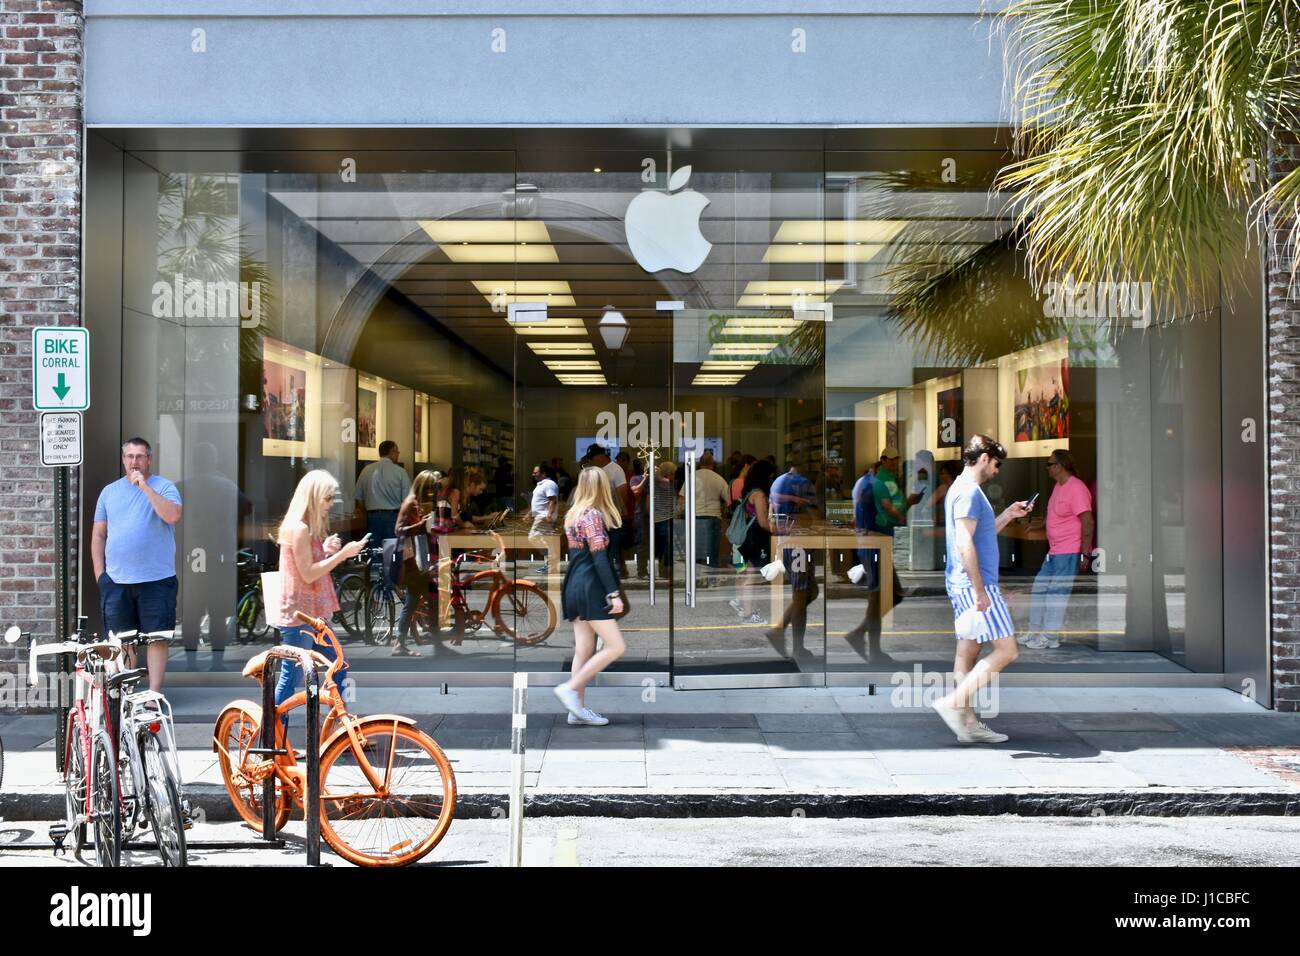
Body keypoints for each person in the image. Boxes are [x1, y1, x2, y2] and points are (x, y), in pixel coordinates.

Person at [931, 434, 1033, 744]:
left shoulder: (963, 491)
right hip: (975, 584)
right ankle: (954, 703)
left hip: (964, 583)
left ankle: (968, 723)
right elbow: (964, 544)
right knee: (1007, 650)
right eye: (997, 463)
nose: (998, 471)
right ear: (984, 458)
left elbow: (978, 535)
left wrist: (1007, 515)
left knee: (968, 651)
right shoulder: (969, 492)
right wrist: (980, 590)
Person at [271, 470, 367, 718]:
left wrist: (324, 550)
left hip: (310, 616)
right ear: (313, 497)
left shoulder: (301, 527)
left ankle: (338, 727)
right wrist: (342, 554)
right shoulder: (300, 528)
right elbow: (308, 574)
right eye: (327, 498)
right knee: (290, 678)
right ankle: (271, 741)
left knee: (338, 666)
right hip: (300, 617)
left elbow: (303, 565)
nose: (331, 504)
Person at [93, 437, 183, 692]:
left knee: (157, 639)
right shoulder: (109, 492)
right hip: (117, 581)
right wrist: (101, 575)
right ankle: (129, 692)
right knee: (124, 641)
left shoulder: (164, 487)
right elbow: (99, 536)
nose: (134, 462)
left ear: (149, 460)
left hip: (157, 580)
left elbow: (172, 515)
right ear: (123, 460)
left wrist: (144, 487)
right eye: (130, 456)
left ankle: (153, 694)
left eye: (140, 456)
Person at [553, 467, 626, 727]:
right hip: (590, 586)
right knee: (616, 646)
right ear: (601, 487)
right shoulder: (594, 516)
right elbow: (599, 559)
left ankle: (577, 710)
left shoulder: (573, 515)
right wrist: (614, 593)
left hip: (573, 583)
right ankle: (570, 689)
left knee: (583, 649)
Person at [178, 440, 252, 671]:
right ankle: (217, 662)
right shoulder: (227, 486)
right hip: (221, 556)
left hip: (192, 557)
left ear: (193, 462)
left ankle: (190, 662)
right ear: (214, 461)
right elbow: (247, 507)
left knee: (191, 613)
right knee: (218, 613)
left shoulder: (181, 487)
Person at [843, 447, 920, 666]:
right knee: (885, 595)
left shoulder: (868, 484)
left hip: (875, 545)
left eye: (897, 459)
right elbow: (886, 508)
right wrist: (903, 513)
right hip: (874, 546)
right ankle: (865, 641)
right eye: (892, 460)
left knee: (884, 595)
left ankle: (865, 640)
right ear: (882, 461)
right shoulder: (875, 485)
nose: (895, 463)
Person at [1022, 449, 1095, 649]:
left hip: (1068, 550)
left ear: (1060, 466)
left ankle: (1050, 638)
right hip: (1054, 551)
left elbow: (1087, 522)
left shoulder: (1076, 488)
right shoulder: (1058, 486)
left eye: (1049, 464)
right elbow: (1054, 514)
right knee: (1039, 588)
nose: (1047, 468)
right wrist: (1039, 524)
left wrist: (1085, 553)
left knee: (1057, 594)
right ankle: (1035, 633)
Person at [765, 464, 818, 660]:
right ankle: (797, 648)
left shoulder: (777, 482)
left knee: (810, 592)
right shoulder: (803, 484)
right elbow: (812, 516)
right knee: (802, 596)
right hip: (799, 544)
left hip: (786, 543)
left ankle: (779, 630)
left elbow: (771, 519)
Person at [393, 469, 441, 657]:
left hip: (417, 558)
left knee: (418, 599)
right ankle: (431, 635)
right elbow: (398, 530)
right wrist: (421, 525)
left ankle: (404, 641)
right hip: (410, 560)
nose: (434, 492)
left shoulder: (417, 502)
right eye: (432, 488)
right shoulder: (410, 503)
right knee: (420, 598)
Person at [728, 459, 777, 625]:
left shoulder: (750, 491)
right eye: (771, 476)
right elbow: (764, 522)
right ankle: (749, 614)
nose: (772, 479)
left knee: (748, 576)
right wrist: (780, 531)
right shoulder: (760, 495)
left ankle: (748, 611)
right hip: (756, 539)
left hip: (748, 538)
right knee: (752, 577)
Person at [681, 451, 730, 587]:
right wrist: (723, 511)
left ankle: (696, 580)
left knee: (695, 551)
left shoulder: (691, 477)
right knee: (712, 552)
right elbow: (729, 499)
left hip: (695, 518)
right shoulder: (718, 479)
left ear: (699, 463)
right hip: (713, 517)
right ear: (712, 464)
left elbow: (682, 500)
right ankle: (711, 580)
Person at [585, 443, 632, 575]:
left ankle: (613, 571)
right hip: (598, 517)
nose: (590, 461)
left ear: (600, 456)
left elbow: (623, 494)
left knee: (613, 546)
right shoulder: (595, 471)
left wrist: (621, 512)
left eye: (591, 458)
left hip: (611, 517)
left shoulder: (615, 470)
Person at [354, 440, 411, 544]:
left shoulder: (366, 470)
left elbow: (359, 498)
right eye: (397, 451)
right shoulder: (400, 472)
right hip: (394, 517)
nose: (398, 454)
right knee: (392, 553)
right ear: (392, 452)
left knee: (375, 552)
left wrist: (367, 513)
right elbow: (407, 501)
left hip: (372, 518)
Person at [529, 461, 559, 574]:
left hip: (544, 517)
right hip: (541, 516)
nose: (533, 474)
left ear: (544, 473)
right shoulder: (541, 485)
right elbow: (540, 502)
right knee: (544, 540)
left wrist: (549, 515)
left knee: (533, 537)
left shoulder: (549, 484)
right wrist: (529, 514)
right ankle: (550, 564)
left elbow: (552, 500)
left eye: (535, 472)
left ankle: (551, 561)